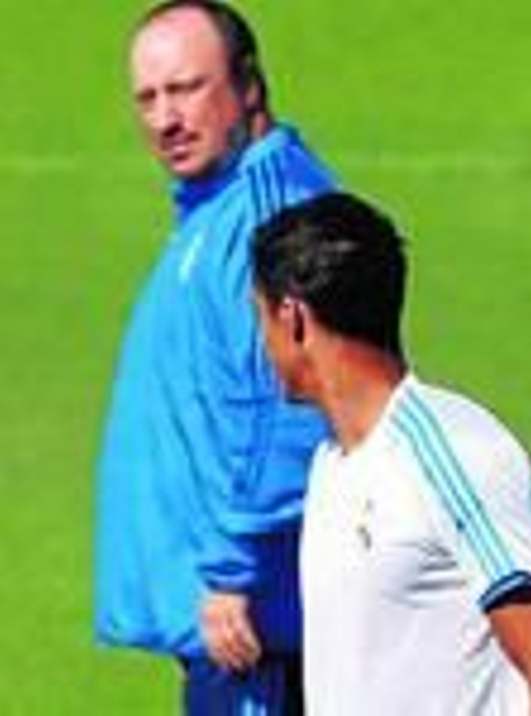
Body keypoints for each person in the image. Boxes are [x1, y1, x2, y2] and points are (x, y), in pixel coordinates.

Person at [250, 192, 531, 714]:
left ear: (293, 318)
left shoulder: (454, 450)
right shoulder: (331, 466)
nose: (260, 346)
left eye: (260, 319)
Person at [94, 1, 336, 711]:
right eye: (147, 98)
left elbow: (292, 404)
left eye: (186, 89)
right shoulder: (217, 208)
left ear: (249, 85)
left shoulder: (269, 215)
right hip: (227, 633)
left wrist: (233, 570)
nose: (165, 119)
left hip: (251, 630)